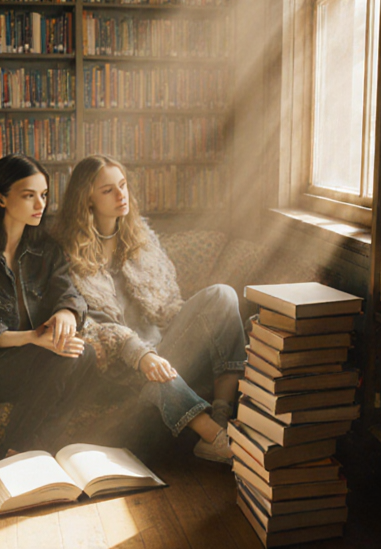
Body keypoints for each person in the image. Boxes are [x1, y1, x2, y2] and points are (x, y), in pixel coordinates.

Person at [51, 155, 246, 463]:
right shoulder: (66, 257)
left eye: (123, 185)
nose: (121, 195)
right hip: (125, 367)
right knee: (155, 372)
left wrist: (186, 338)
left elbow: (170, 307)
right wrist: (142, 355)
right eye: (108, 191)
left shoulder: (142, 239)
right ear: (86, 199)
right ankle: (213, 435)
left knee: (222, 295)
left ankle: (221, 415)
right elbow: (91, 329)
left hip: (166, 348)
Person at [0, 154, 97, 459]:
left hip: (33, 365)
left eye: (43, 195)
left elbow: (70, 293)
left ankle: (28, 449)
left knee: (83, 353)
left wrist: (65, 313)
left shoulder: (46, 249)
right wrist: (32, 337)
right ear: (1, 198)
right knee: (61, 357)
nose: (40, 205)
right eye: (29, 195)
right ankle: (19, 450)